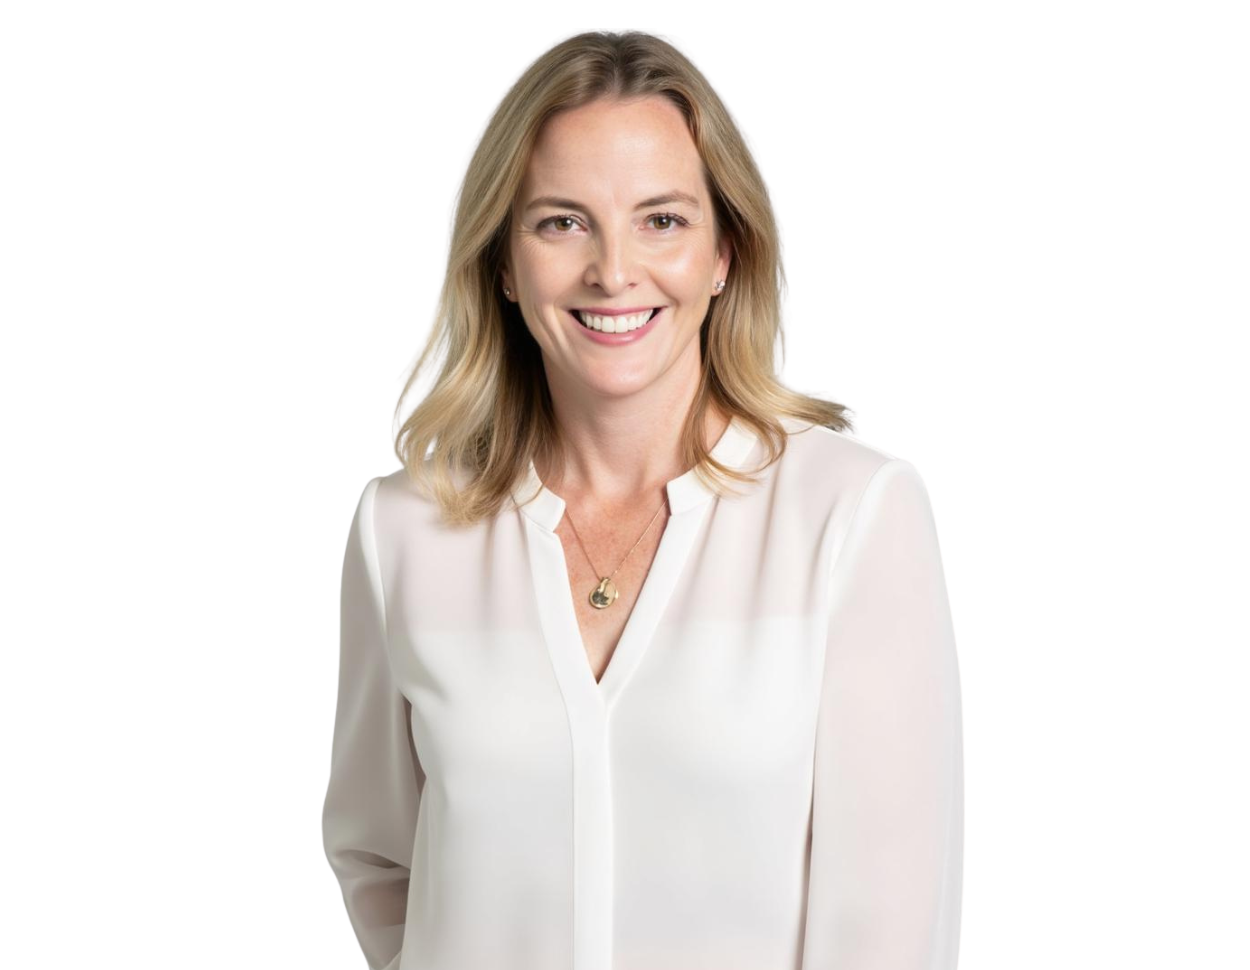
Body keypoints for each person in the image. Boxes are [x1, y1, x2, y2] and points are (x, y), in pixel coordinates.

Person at [321, 27, 964, 970]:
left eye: (662, 219)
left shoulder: (855, 513)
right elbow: (380, 862)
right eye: (561, 222)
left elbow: (892, 932)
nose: (613, 271)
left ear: (724, 253)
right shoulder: (403, 530)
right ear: (502, 261)